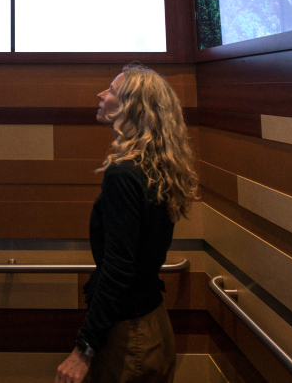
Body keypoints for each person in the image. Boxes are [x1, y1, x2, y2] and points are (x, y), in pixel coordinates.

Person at [54, 63, 198, 383]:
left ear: (131, 107)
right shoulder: (155, 166)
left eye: (112, 91)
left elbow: (118, 270)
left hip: (130, 336)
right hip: (153, 323)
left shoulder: (123, 174)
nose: (101, 95)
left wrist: (84, 351)